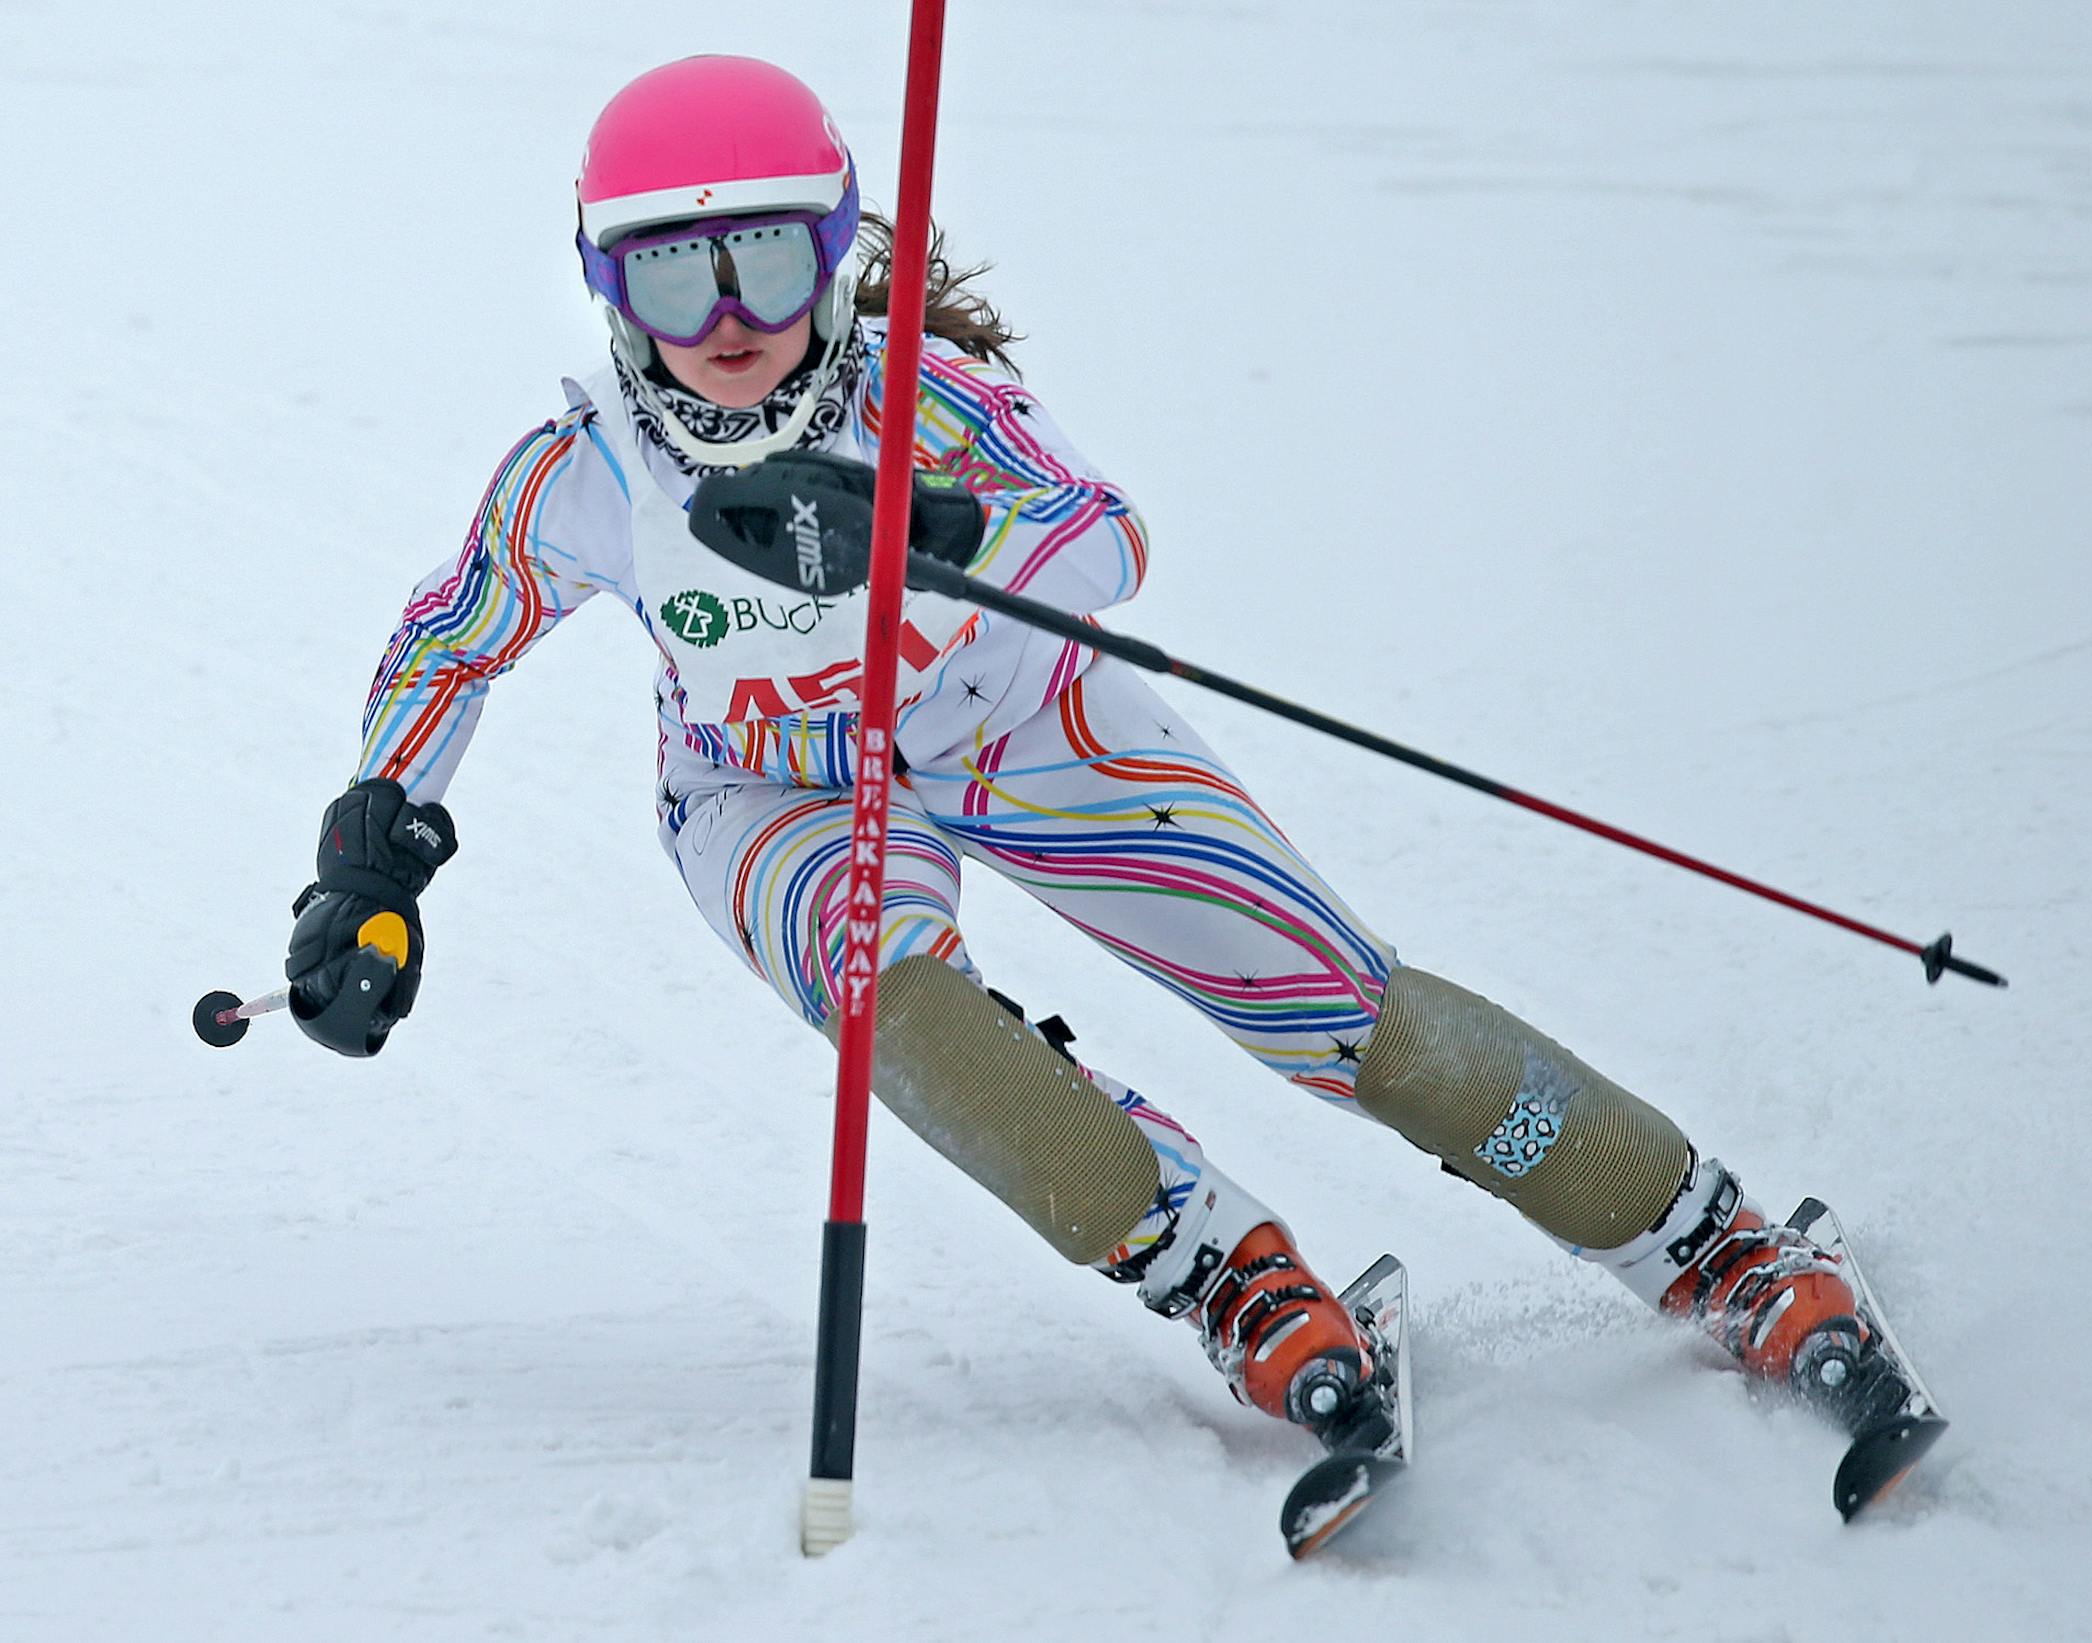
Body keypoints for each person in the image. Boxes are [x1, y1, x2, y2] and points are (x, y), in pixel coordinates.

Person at [285, 54, 1877, 1443]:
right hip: (768, 791)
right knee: (911, 1027)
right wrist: (370, 856)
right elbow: (452, 632)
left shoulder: (927, 404)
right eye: (668, 277)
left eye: (765, 263)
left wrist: (922, 534)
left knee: (1343, 1017)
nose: (725, 324)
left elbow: (1106, 537)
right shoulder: (583, 472)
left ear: (836, 251)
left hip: (1018, 723)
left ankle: (1700, 1235)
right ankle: (1223, 1275)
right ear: (599, 283)